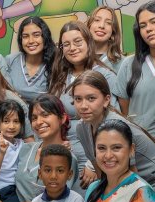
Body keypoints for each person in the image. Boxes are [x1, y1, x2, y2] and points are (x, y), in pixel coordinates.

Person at [73, 71, 155, 202]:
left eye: (91, 98)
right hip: (132, 183)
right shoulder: (81, 128)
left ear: (106, 100)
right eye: (78, 99)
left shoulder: (117, 128)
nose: (83, 106)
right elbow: (101, 173)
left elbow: (132, 178)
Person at [48, 21, 123, 171]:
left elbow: (113, 120)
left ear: (89, 43)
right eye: (66, 44)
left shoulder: (105, 75)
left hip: (92, 155)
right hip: (62, 153)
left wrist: (92, 164)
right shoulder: (60, 77)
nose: (72, 48)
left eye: (77, 42)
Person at [116, 1, 155, 141]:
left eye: (153, 21)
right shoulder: (128, 64)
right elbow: (125, 111)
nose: (148, 29)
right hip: (139, 145)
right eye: (143, 25)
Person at [6, 17, 55, 103]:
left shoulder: (56, 62)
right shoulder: (11, 60)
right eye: (25, 36)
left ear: (45, 37)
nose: (31, 41)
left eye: (36, 35)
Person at [87, 5, 124, 71]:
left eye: (108, 23)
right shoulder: (77, 58)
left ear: (113, 31)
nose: (101, 26)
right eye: (97, 20)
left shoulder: (123, 63)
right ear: (89, 25)